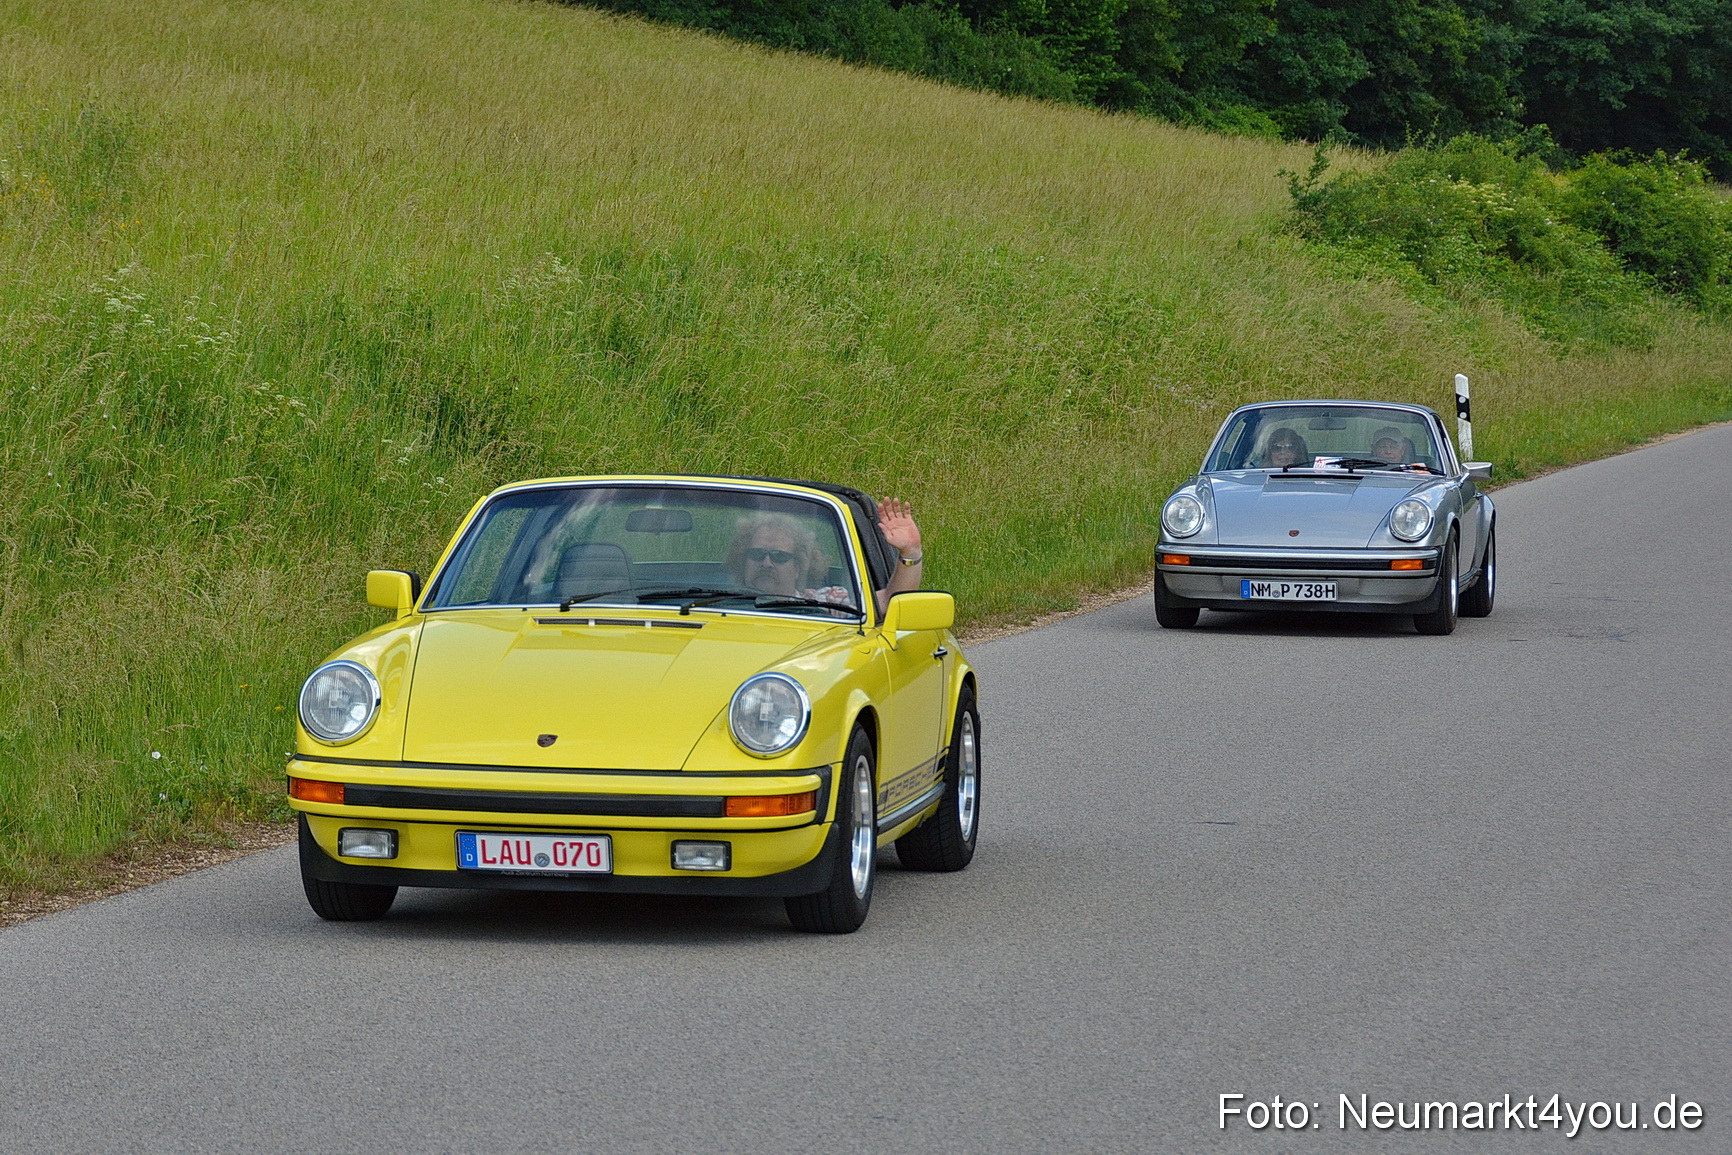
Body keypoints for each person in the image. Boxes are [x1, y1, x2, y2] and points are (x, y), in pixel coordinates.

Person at [728, 499, 923, 616]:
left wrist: (911, 552)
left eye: (779, 556)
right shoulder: (714, 602)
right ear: (742, 560)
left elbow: (889, 603)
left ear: (798, 567)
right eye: (757, 554)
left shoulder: (827, 602)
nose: (766, 563)